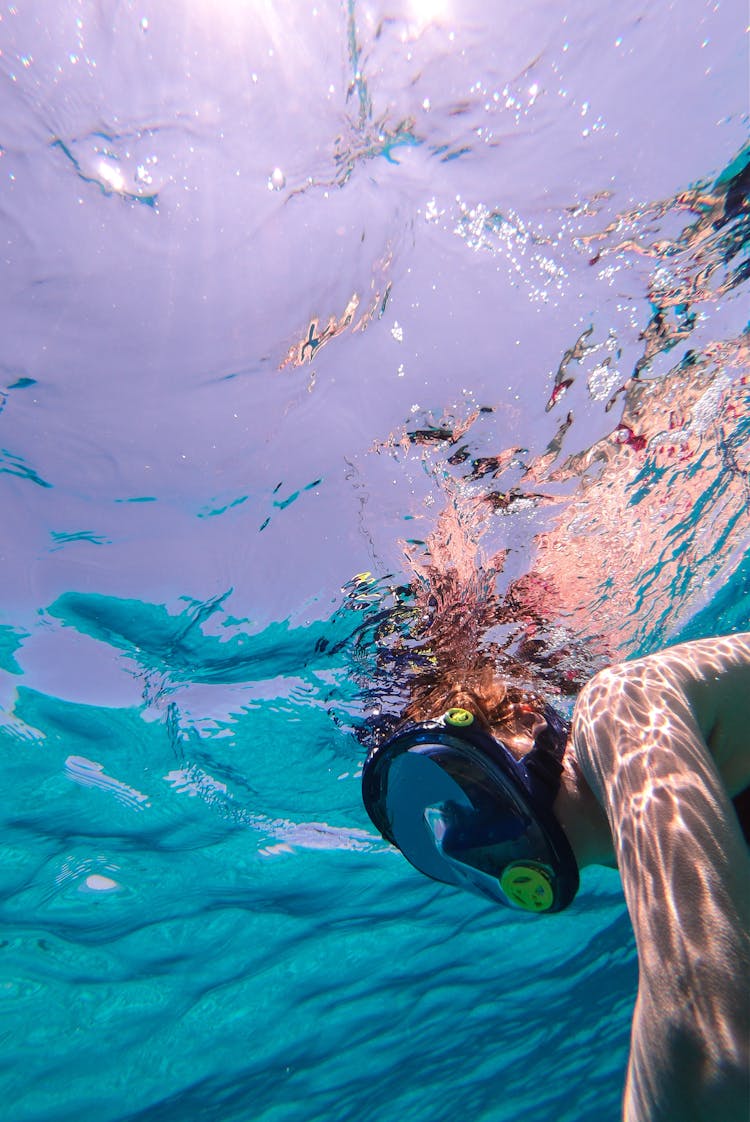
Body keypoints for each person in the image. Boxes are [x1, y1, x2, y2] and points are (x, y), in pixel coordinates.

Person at [362, 631, 750, 1122]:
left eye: (464, 782)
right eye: (441, 820)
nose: (458, 841)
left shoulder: (621, 706)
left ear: (527, 719)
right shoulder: (634, 847)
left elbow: (708, 1034)